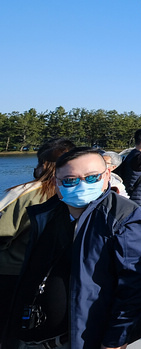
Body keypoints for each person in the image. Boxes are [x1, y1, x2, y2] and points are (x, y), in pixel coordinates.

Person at [6, 147, 141, 349]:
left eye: (92, 177)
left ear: (107, 176)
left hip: (84, 337)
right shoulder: (47, 214)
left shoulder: (124, 217)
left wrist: (116, 339)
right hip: (35, 335)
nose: (82, 185)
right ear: (56, 184)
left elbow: (135, 286)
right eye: (70, 180)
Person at [0, 138, 74, 336]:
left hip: (13, 272)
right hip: (57, 275)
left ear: (44, 164)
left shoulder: (26, 193)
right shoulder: (77, 193)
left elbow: (2, 232)